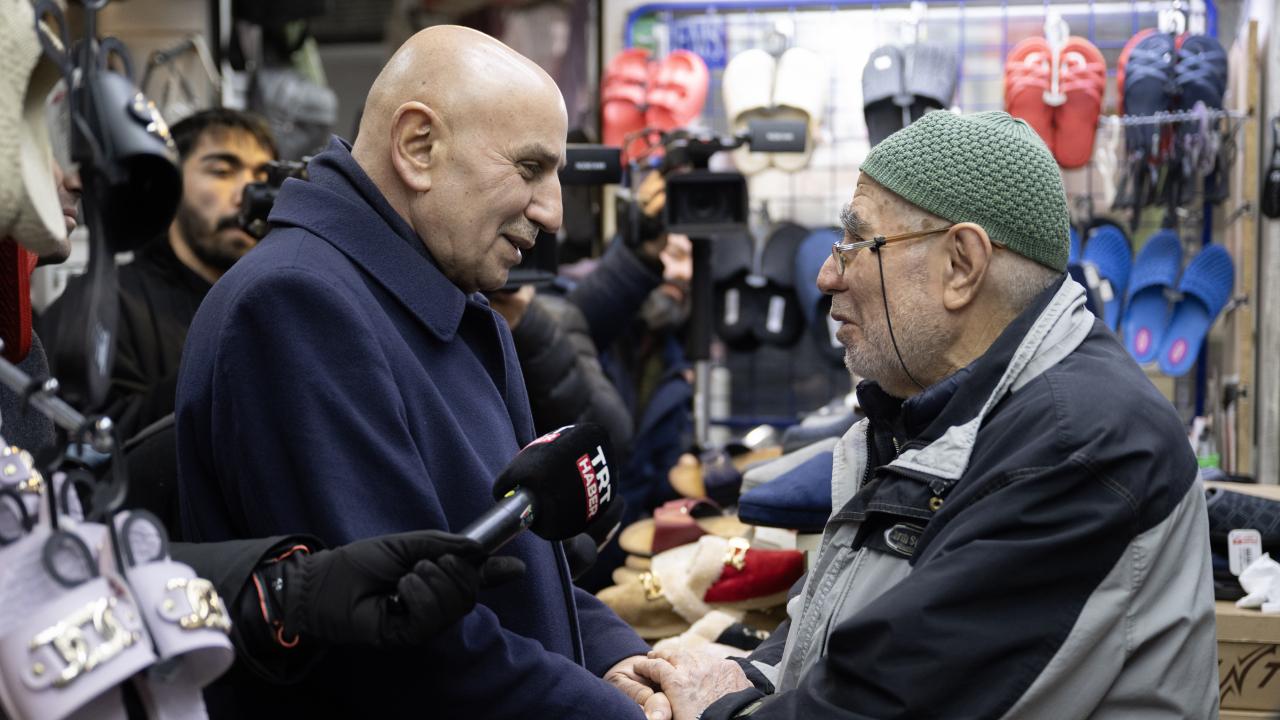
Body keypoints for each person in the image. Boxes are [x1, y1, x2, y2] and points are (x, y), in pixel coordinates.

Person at [629, 111, 1218, 719]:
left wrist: (716, 709)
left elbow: (892, 702)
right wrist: (745, 676)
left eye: (857, 244)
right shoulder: (943, 418)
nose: (827, 274)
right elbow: (846, 635)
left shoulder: (1078, 444)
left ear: (961, 264)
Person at [176, 26, 667, 719]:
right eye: (529, 169)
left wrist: (617, 656)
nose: (552, 211)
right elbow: (405, 652)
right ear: (418, 147)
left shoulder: (445, 300)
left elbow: (512, 579)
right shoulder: (298, 305)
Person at [40, 108, 278, 443]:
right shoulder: (105, 304)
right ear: (171, 184)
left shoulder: (265, 305)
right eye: (223, 171)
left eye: (263, 177)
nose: (250, 194)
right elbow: (93, 445)